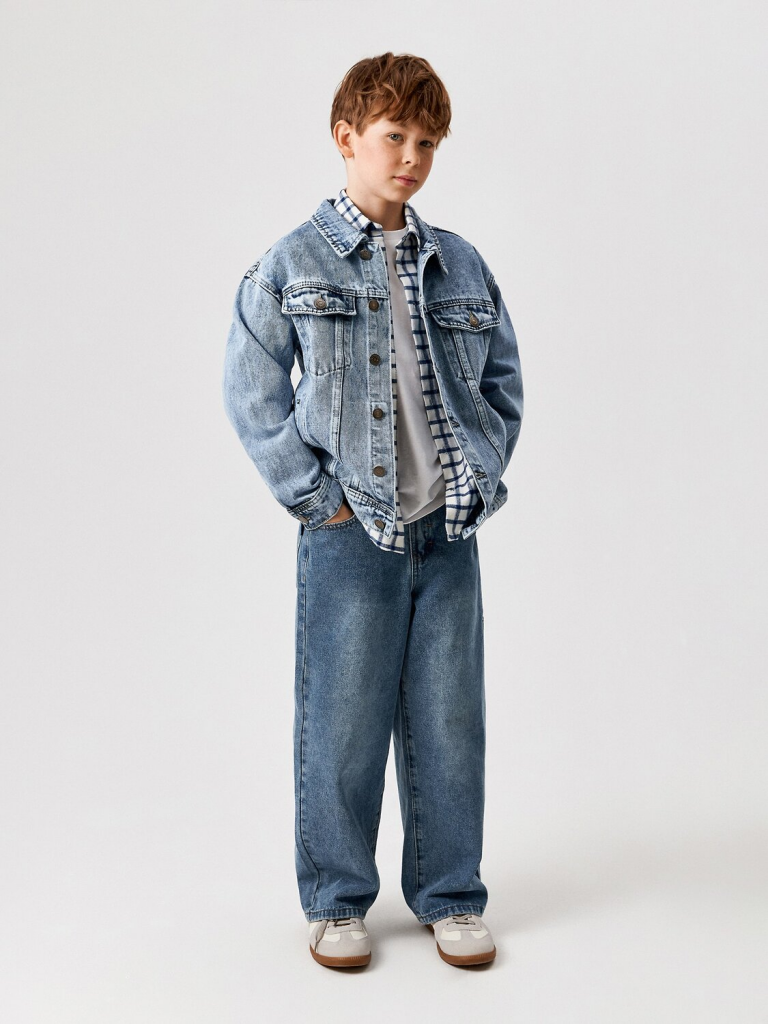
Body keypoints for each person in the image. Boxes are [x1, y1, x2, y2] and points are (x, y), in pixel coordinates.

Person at [222, 51, 523, 969]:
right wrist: (319, 501)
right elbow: (251, 391)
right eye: (396, 137)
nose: (413, 158)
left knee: (449, 722)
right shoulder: (292, 263)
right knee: (342, 723)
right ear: (346, 136)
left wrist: (479, 474)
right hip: (352, 533)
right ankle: (338, 900)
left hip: (447, 531)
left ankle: (451, 895)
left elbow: (504, 384)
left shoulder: (459, 262)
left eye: (428, 143)